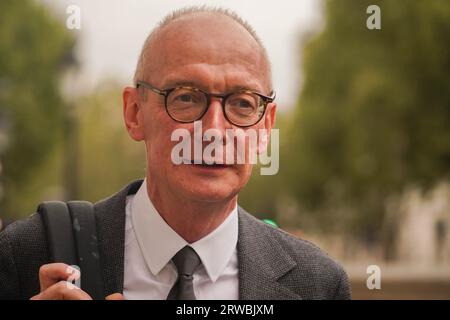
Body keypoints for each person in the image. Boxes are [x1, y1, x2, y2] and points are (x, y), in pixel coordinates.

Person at [0, 6, 351, 300]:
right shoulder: (29, 253)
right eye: (186, 97)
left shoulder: (318, 285)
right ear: (134, 113)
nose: (213, 131)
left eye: (243, 103)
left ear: (264, 128)